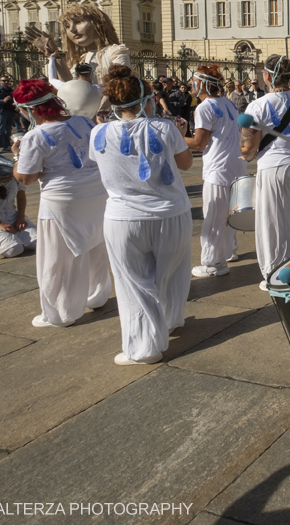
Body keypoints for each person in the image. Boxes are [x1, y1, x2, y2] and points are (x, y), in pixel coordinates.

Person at [90, 66, 193, 365]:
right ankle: (171, 320)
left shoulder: (98, 132)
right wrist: (180, 135)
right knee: (172, 273)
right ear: (145, 97)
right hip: (170, 214)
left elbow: (102, 162)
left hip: (123, 217)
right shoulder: (164, 128)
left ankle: (145, 346)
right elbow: (185, 164)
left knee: (133, 284)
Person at [13, 80, 111, 327]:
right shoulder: (83, 121)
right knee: (96, 244)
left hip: (62, 201)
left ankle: (61, 311)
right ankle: (97, 295)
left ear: (33, 110)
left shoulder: (35, 136)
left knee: (57, 258)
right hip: (96, 193)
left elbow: (26, 177)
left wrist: (17, 155)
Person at [240, 55, 290, 288]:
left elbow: (248, 149)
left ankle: (275, 275)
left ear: (267, 76)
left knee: (273, 225)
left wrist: (244, 147)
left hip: (276, 167)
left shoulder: (258, 105)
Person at [184, 66, 246, 278]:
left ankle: (212, 263)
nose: (191, 83)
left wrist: (175, 136)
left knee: (213, 216)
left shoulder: (204, 107)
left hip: (218, 169)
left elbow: (199, 144)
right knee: (229, 213)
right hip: (235, 166)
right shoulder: (228, 102)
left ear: (201, 83)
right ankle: (230, 251)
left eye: (193, 80)